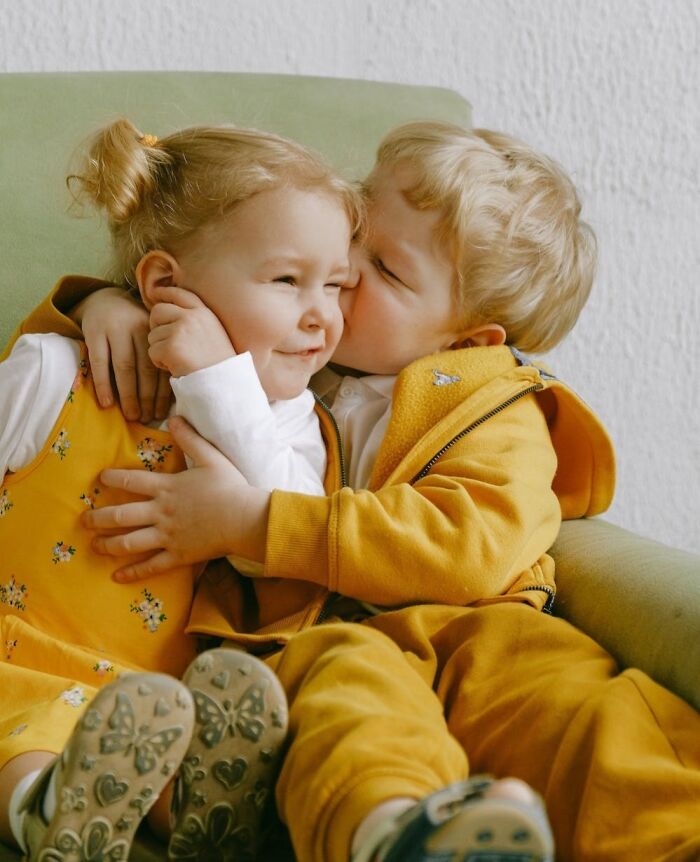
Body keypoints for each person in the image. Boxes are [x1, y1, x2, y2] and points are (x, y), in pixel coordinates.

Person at [13, 121, 700, 861]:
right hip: (336, 645)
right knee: (354, 721)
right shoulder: (295, 362)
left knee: (591, 718)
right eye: (358, 231)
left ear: (470, 340)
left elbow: (467, 549)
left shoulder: (497, 404)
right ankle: (401, 835)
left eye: (386, 269)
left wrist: (255, 524)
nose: (344, 271)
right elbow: (202, 296)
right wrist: (109, 306)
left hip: (480, 636)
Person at [0, 117, 364, 860]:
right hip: (13, 653)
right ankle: (49, 814)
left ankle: (199, 816)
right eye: (288, 280)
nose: (322, 316)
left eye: (337, 284)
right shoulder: (57, 372)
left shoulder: (294, 426)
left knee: (166, 739)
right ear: (166, 284)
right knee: (24, 725)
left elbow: (287, 539)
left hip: (151, 702)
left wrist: (217, 380)